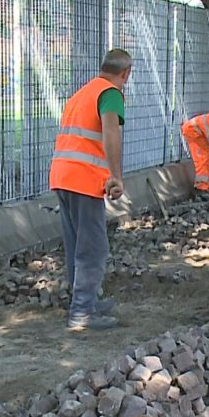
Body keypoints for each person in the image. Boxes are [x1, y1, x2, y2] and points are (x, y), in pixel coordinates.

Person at [48, 49, 132, 331]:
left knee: (76, 245)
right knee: (93, 247)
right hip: (83, 180)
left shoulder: (81, 94)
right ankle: (82, 312)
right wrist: (117, 177)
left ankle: (85, 302)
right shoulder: (110, 94)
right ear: (126, 73)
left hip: (62, 176)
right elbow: (111, 132)